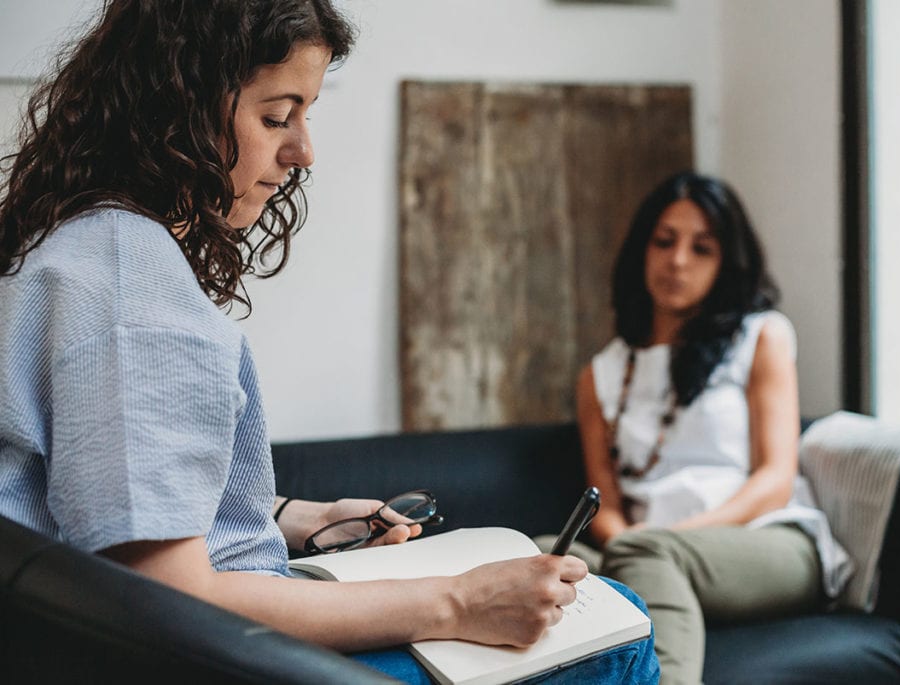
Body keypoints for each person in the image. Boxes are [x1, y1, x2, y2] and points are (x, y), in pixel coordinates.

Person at [0, 2, 658, 683]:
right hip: (225, 657)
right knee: (618, 624)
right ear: (177, 109)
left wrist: (301, 517)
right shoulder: (135, 291)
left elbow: (103, 503)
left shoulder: (73, 246)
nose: (303, 151)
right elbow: (171, 599)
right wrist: (457, 602)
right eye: (276, 116)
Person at [548, 172, 851, 685]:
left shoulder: (760, 337)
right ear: (642, 249)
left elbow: (775, 479)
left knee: (644, 554)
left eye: (701, 248)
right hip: (645, 548)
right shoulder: (600, 374)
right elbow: (607, 505)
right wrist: (628, 541)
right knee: (533, 554)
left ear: (725, 263)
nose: (678, 260)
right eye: (664, 241)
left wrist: (660, 539)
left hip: (762, 539)